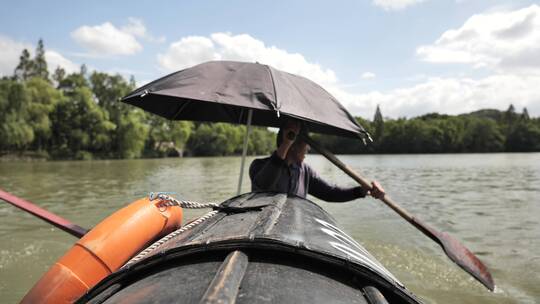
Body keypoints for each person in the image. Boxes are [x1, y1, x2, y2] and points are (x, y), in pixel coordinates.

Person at [249, 120, 385, 202]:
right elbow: (265, 185)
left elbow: (330, 193)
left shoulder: (305, 171)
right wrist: (286, 144)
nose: (308, 148)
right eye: (306, 143)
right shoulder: (258, 166)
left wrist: (362, 190)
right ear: (293, 145)